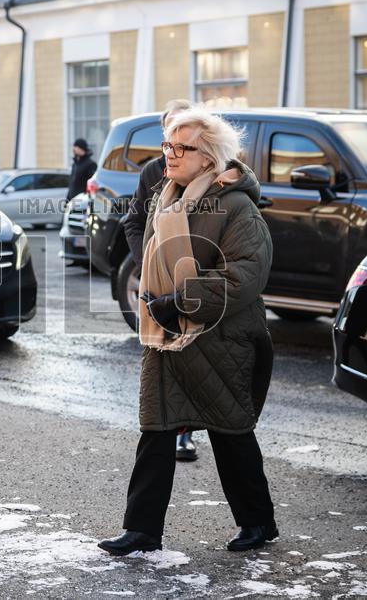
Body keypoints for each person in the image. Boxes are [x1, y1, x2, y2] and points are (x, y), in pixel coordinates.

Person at [99, 106, 277, 556]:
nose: (171, 155)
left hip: (220, 336)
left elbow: (245, 276)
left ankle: (258, 522)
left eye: (183, 148)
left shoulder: (236, 206)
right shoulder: (168, 195)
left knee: (230, 431)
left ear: (210, 156)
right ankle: (141, 530)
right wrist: (156, 298)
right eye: (168, 146)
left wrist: (178, 301)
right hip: (167, 335)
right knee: (156, 429)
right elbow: (150, 246)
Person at [122, 99, 195, 461]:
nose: (175, 143)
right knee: (162, 361)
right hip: (159, 284)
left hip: (195, 280)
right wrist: (146, 261)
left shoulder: (210, 171)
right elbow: (133, 223)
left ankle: (186, 430)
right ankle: (171, 434)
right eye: (170, 133)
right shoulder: (153, 171)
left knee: (194, 359)